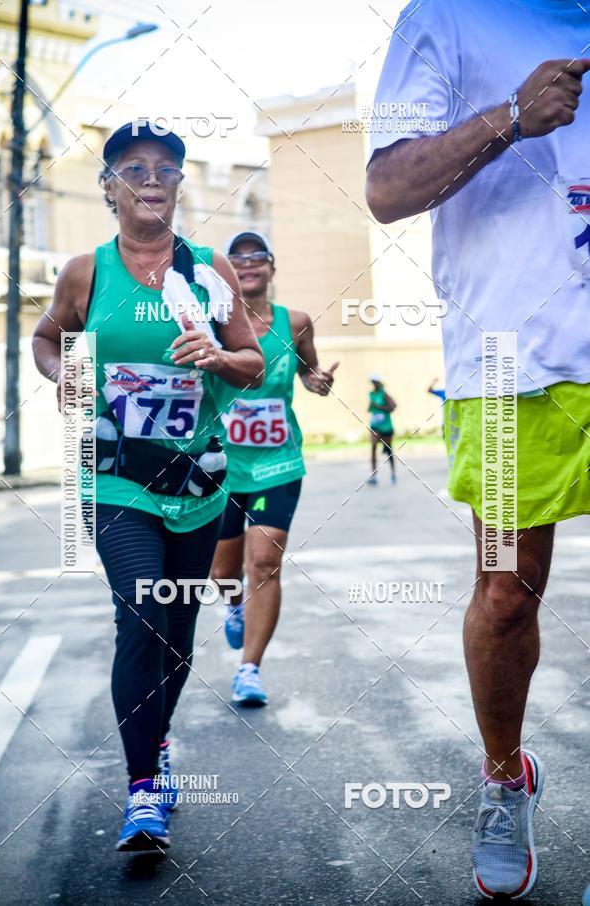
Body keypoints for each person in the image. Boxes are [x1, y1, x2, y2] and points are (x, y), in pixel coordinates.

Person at [366, 1, 590, 899]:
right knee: (505, 594)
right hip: (509, 368)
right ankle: (505, 778)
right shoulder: (447, 18)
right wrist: (510, 116)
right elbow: (384, 189)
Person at [32, 122, 263, 853]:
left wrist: (218, 357)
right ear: (110, 187)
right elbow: (47, 338)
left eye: (166, 167)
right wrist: (65, 376)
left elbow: (254, 362)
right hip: (116, 479)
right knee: (142, 612)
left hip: (197, 482)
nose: (151, 178)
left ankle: (156, 736)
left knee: (178, 636)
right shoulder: (86, 272)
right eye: (133, 167)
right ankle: (142, 790)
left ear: (179, 185)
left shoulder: (210, 272)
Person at [210, 231, 338, 706]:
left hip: (277, 463)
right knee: (223, 574)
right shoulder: (213, 322)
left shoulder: (296, 322)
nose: (247, 265)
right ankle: (234, 604)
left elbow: (310, 372)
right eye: (237, 258)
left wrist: (317, 381)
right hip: (220, 465)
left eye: (256, 257)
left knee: (263, 562)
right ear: (227, 272)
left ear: (271, 267)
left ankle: (249, 669)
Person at [367, 373, 397, 485]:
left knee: (388, 451)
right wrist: (371, 406)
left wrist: (378, 406)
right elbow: (370, 408)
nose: (373, 384)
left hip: (386, 427)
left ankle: (393, 474)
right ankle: (373, 476)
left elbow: (393, 407)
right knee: (373, 447)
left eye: (375, 382)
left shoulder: (384, 394)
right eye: (372, 382)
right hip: (375, 426)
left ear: (379, 382)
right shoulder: (371, 394)